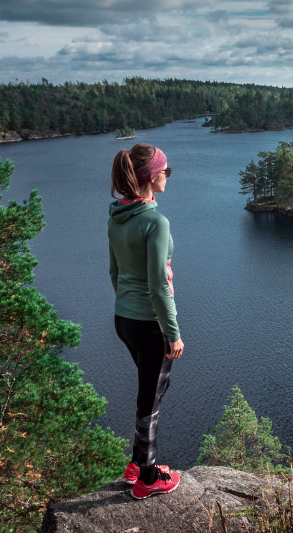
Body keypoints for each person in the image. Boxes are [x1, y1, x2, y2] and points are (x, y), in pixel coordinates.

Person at [108, 143, 184, 499]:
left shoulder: (117, 216)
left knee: (148, 391)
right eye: (166, 171)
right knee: (151, 399)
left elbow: (115, 272)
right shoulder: (155, 221)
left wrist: (128, 307)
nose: (168, 176)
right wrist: (173, 333)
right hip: (150, 324)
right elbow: (159, 286)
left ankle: (138, 464)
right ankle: (148, 479)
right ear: (152, 176)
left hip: (125, 319)